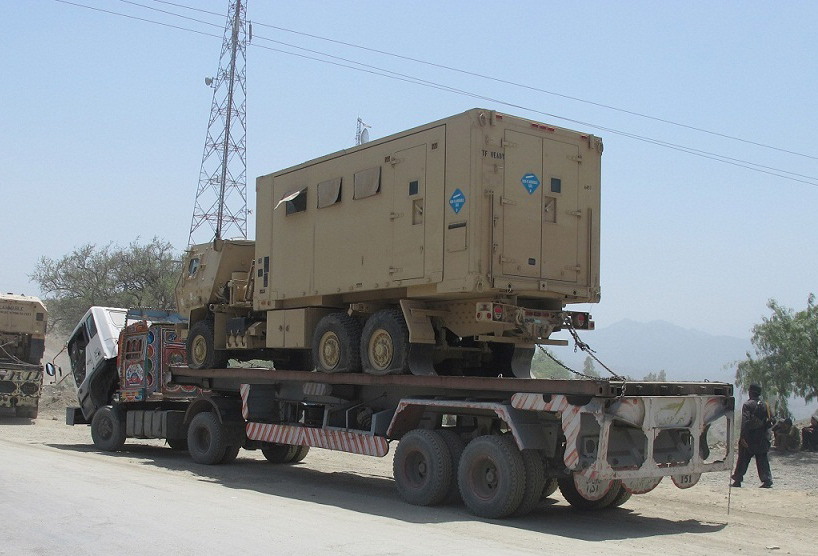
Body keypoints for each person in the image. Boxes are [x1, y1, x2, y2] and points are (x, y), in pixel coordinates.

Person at [731, 384, 774, 488]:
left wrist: (742, 437)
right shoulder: (766, 405)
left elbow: (745, 422)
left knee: (743, 459)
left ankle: (737, 480)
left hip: (750, 437)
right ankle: (767, 480)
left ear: (750, 392)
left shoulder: (747, 405)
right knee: (762, 459)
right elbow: (772, 420)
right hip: (762, 437)